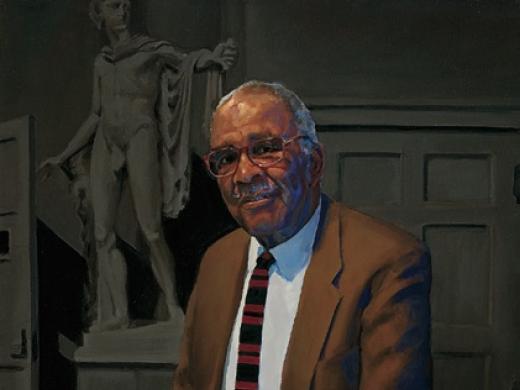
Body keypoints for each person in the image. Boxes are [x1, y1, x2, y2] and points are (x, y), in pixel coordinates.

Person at [173, 81, 431, 389]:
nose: (243, 175)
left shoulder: (388, 261)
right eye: (226, 158)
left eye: (266, 149)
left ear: (314, 163)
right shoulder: (218, 259)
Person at [39, 0, 237, 331]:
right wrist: (62, 155)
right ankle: (117, 314)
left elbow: (187, 60)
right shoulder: (102, 62)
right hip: (107, 140)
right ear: (98, 16)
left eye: (124, 5)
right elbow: (96, 115)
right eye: (113, 6)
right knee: (103, 234)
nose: (122, 11)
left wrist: (212, 58)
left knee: (151, 228)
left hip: (140, 135)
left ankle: (173, 306)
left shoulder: (149, 50)